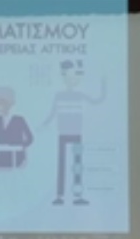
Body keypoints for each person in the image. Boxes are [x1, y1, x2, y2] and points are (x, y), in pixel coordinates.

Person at [39, 60, 107, 206]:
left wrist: (103, 84)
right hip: (63, 133)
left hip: (76, 133)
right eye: (67, 77)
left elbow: (97, 100)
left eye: (74, 77)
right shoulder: (59, 95)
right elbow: (52, 113)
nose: (71, 80)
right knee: (62, 164)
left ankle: (77, 196)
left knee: (77, 165)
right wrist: (43, 125)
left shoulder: (79, 95)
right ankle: (60, 196)